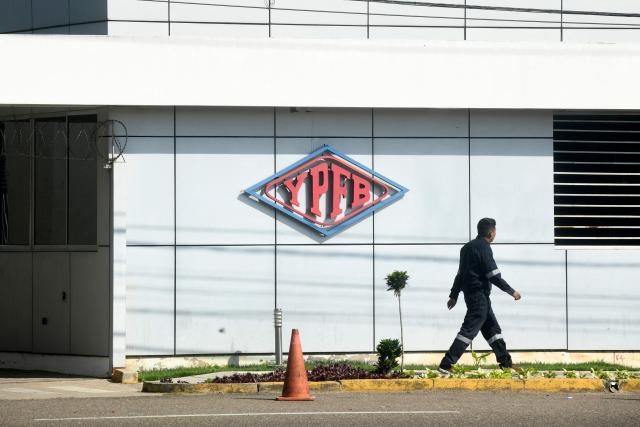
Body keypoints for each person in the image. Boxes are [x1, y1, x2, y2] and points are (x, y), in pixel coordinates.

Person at [438, 218, 521, 375]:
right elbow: (493, 275)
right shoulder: (484, 247)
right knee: (468, 331)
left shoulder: (466, 248)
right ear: (492, 232)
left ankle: (506, 364)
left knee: (493, 330)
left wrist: (454, 295)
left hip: (473, 296)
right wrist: (512, 292)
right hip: (479, 297)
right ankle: (446, 365)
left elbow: (460, 275)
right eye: (495, 231)